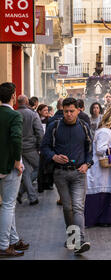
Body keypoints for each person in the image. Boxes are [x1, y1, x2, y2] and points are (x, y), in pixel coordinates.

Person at [40, 97, 93, 255]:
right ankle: (72, 238)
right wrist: (54, 156)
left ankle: (80, 240)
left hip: (79, 173)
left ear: (78, 110)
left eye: (71, 111)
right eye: (66, 111)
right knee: (68, 208)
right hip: (60, 174)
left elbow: (90, 149)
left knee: (77, 207)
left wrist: (87, 164)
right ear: (62, 110)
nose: (68, 114)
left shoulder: (84, 126)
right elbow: (44, 146)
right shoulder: (54, 126)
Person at [84, 106, 111, 228]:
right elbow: (100, 149)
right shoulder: (104, 131)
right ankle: (104, 219)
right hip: (102, 170)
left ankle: (110, 218)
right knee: (104, 192)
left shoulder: (108, 130)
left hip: (109, 170)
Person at [0, 82, 28, 258]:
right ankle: (4, 245)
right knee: (8, 205)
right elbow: (16, 139)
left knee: (7, 205)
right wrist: (18, 162)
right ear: (13, 96)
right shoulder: (14, 116)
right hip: (9, 165)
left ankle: (13, 239)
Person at [16, 95, 44, 206]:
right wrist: (40, 147)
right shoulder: (32, 114)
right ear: (27, 102)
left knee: (26, 172)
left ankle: (32, 197)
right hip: (31, 147)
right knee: (39, 168)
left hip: (19, 148)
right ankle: (21, 191)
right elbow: (39, 132)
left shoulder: (15, 114)